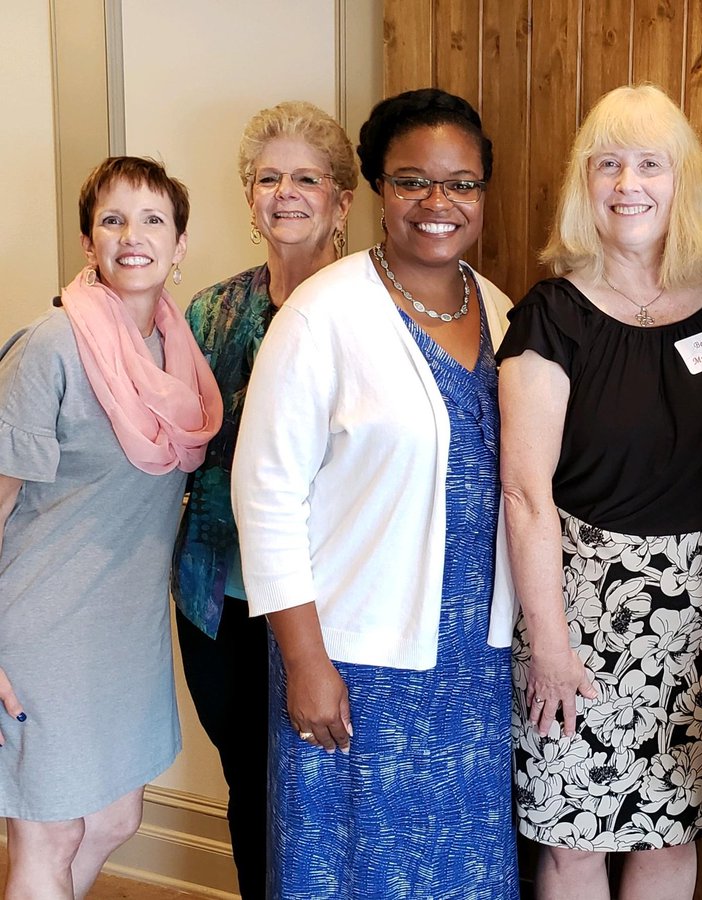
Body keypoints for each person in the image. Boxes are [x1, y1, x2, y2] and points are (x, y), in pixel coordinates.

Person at [230, 88, 519, 898]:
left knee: (461, 870)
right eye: (412, 180)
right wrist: (303, 660)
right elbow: (266, 496)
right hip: (357, 660)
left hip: (474, 661)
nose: (439, 202)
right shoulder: (324, 315)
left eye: (462, 183)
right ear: (377, 192)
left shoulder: (499, 308)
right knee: (352, 872)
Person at [498, 83, 702, 900]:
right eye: (608, 164)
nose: (628, 184)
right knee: (573, 840)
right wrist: (549, 642)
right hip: (577, 610)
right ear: (583, 186)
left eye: (649, 164)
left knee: (671, 830)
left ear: (680, 181)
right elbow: (524, 493)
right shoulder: (550, 317)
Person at [0, 157, 220, 897]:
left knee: (114, 818)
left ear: (180, 243)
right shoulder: (52, 346)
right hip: (40, 625)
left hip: (122, 627)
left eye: (153, 219)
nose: (133, 235)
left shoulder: (180, 355)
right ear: (88, 241)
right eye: (113, 220)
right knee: (50, 831)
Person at [171, 100, 355, 898]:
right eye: (267, 177)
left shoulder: (373, 307)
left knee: (338, 789)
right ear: (249, 196)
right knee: (252, 785)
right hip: (221, 600)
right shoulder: (211, 313)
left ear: (343, 201)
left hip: (339, 601)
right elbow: (170, 454)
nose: (285, 192)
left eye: (306, 178)